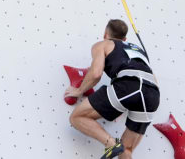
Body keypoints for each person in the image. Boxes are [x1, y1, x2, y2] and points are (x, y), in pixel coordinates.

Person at [65, 19, 160, 158]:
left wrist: (79, 91)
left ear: (105, 33)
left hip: (129, 87)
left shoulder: (103, 44)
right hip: (152, 95)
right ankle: (117, 148)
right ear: (125, 38)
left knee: (77, 117)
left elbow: (96, 73)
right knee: (126, 150)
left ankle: (110, 143)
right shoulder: (139, 51)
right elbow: (152, 78)